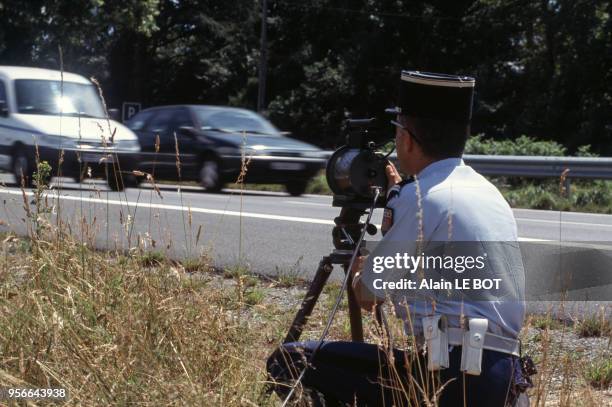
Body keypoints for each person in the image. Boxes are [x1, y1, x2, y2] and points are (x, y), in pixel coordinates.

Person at [267, 71, 531, 406]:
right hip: (503, 379)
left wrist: (364, 260)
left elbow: (367, 295)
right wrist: (399, 202)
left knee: (286, 360)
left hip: (449, 380)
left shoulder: (418, 197)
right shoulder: (489, 193)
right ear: (463, 134)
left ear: (406, 138)